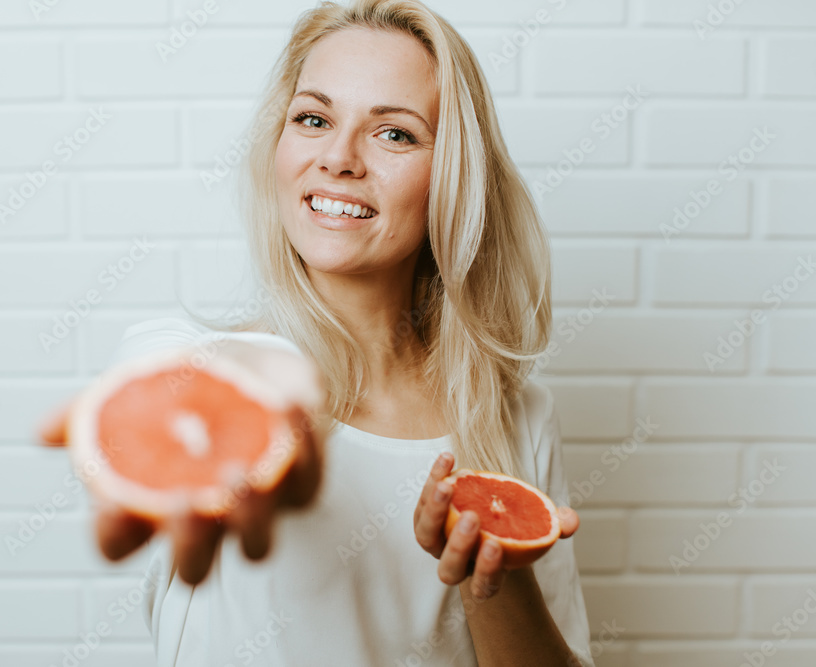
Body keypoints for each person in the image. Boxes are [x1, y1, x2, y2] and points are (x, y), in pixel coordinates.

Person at [39, 0, 593, 664]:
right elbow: (175, 397)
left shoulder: (518, 416)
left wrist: (488, 576)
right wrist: (232, 441)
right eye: (313, 118)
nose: (338, 157)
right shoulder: (198, 360)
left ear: (453, 176)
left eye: (394, 133)